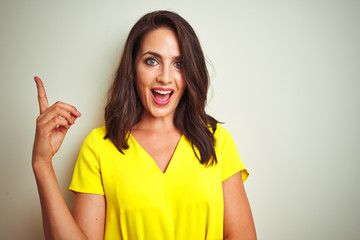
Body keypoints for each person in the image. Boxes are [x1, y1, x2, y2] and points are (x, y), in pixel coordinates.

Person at [32, 10, 257, 240]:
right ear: (133, 68)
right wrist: (42, 164)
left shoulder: (217, 141)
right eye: (152, 61)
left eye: (179, 64)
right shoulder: (98, 148)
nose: (165, 77)